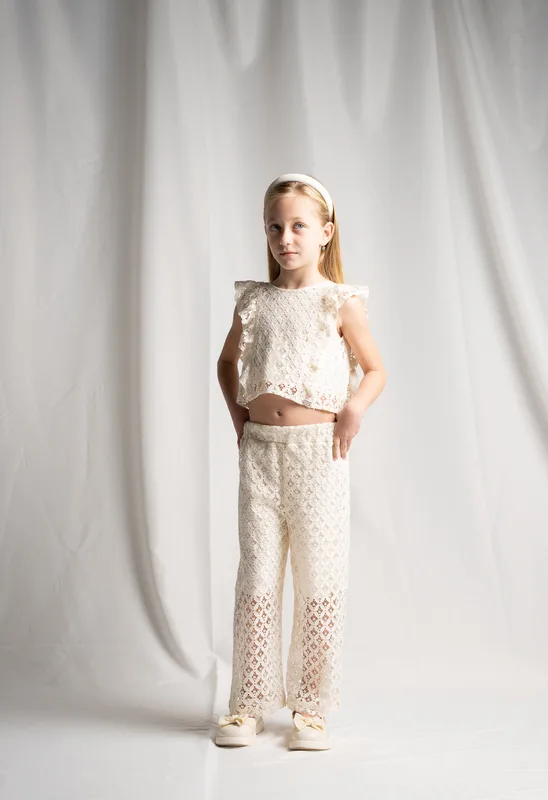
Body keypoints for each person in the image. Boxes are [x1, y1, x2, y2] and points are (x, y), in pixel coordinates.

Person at [215, 173, 386, 750]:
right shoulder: (254, 301)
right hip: (261, 455)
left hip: (319, 455)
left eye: (298, 226)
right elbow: (227, 362)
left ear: (325, 232)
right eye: (275, 227)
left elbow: (376, 369)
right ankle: (247, 703)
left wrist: (353, 409)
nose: (285, 238)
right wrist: (239, 415)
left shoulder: (338, 301)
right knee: (257, 576)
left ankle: (311, 708)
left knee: (319, 576)